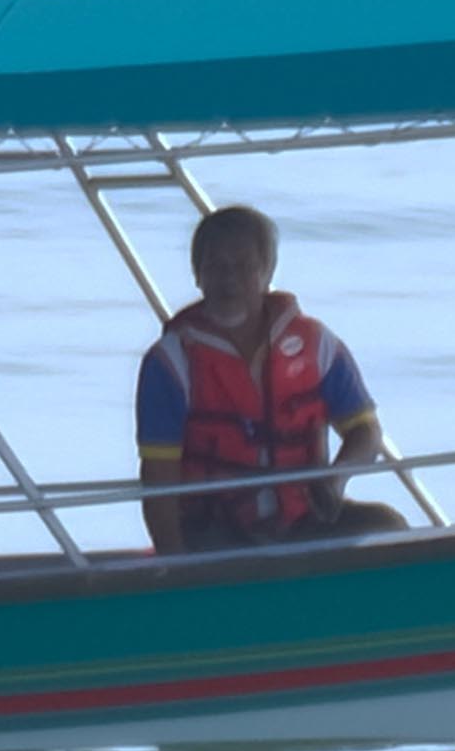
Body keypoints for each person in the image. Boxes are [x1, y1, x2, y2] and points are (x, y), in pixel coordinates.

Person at [132, 203, 406, 553]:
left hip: (305, 520)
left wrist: (335, 480)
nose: (228, 279)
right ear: (197, 275)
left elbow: (366, 431)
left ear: (267, 272)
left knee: (387, 525)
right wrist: (174, 565)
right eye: (215, 266)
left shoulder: (317, 344)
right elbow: (158, 480)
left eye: (243, 267)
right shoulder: (170, 363)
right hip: (213, 529)